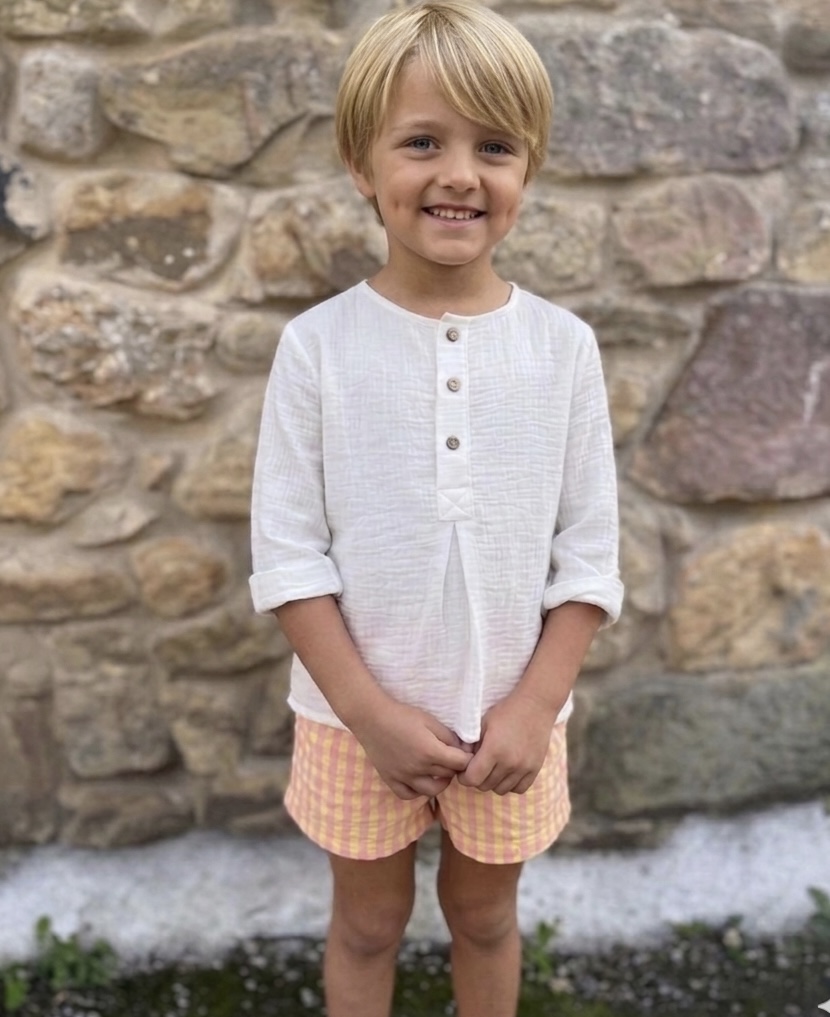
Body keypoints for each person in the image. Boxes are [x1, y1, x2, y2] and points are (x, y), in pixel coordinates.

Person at [249, 2, 623, 1014]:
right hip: (352, 721)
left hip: (511, 723)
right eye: (422, 142)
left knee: (486, 919)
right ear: (360, 164)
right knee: (367, 925)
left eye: (493, 147)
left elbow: (588, 556)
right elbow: (288, 556)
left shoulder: (562, 349)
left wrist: (533, 708)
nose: (460, 174)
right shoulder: (317, 348)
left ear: (528, 170)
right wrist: (369, 715)